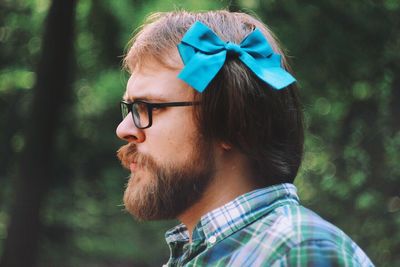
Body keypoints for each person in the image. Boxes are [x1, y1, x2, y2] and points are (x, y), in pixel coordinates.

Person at [116, 10, 374, 267]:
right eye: (129, 108)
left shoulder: (297, 251)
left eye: (150, 106)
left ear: (230, 120)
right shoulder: (215, 254)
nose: (124, 129)